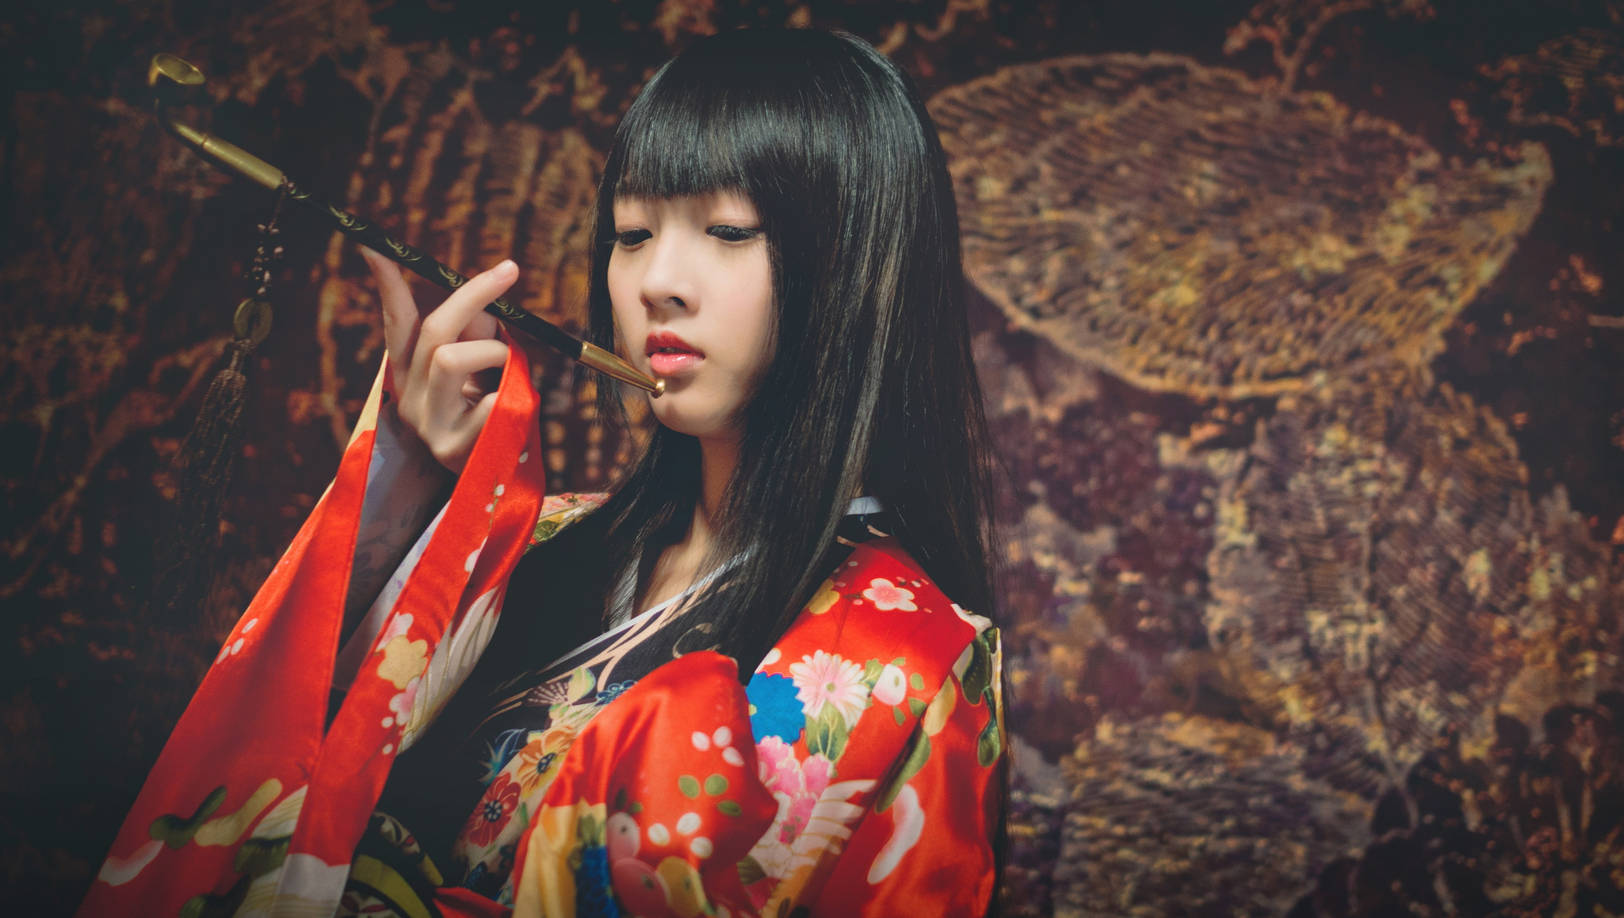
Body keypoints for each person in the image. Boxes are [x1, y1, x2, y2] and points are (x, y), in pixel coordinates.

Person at [81, 27, 1004, 918]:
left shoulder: (910, 661)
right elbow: (308, 774)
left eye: (727, 229)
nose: (655, 283)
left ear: (857, 266)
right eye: (633, 233)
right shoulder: (547, 537)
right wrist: (417, 480)